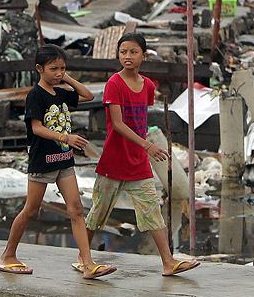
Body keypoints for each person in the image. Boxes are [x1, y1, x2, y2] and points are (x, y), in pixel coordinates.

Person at [80, 33, 201, 277]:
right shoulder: (114, 84)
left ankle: (168, 262)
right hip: (114, 160)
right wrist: (148, 146)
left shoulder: (148, 86)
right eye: (123, 52)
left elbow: (141, 120)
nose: (127, 56)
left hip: (138, 162)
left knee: (152, 210)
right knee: (98, 212)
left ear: (144, 56)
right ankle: (84, 258)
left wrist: (144, 148)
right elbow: (118, 123)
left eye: (133, 52)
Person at [0, 45, 116, 279]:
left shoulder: (60, 93)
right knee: (30, 210)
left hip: (64, 160)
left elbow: (88, 95)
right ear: (39, 69)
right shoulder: (35, 95)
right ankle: (8, 255)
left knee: (77, 209)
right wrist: (65, 137)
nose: (59, 73)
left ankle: (87, 262)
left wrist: (66, 77)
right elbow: (37, 128)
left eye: (62, 68)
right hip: (43, 161)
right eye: (54, 69)